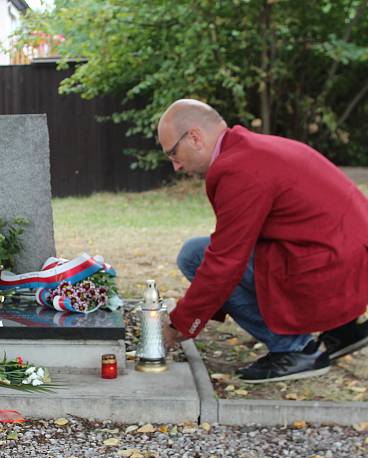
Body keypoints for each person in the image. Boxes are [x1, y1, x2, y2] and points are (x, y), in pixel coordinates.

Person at [158, 99, 368, 383]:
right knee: (201, 251)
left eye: (173, 153)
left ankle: (297, 350)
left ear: (194, 137)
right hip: (347, 258)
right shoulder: (251, 147)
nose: (176, 166)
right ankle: (343, 330)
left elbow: (225, 262)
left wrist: (180, 322)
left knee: (194, 256)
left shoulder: (237, 168)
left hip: (331, 268)